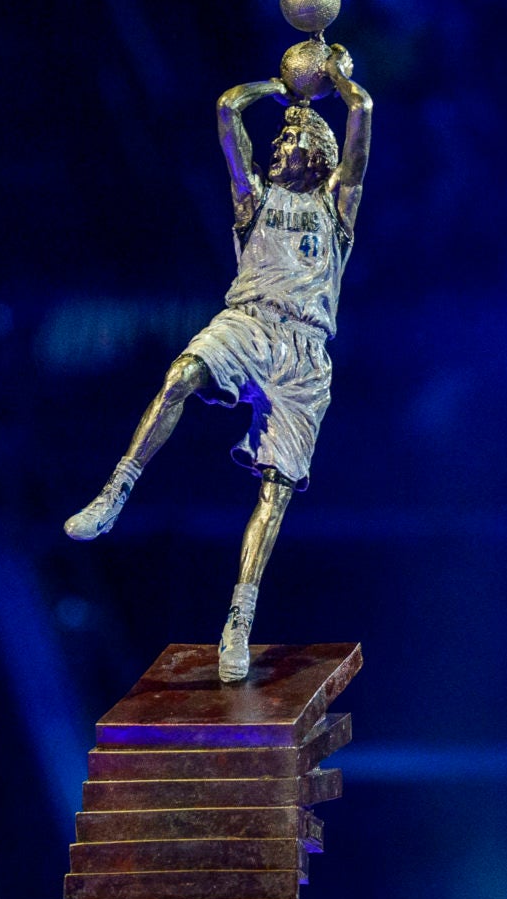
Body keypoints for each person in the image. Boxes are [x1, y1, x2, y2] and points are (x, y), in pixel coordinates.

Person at [61, 48, 372, 681]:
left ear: (318, 154)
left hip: (304, 353)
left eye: (291, 138)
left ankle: (238, 619)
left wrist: (337, 80)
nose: (280, 143)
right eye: (278, 138)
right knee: (179, 376)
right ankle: (116, 492)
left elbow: (362, 109)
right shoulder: (252, 199)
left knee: (275, 491)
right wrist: (282, 87)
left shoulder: (338, 206)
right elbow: (229, 108)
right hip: (248, 322)